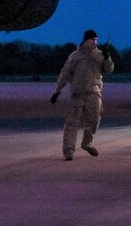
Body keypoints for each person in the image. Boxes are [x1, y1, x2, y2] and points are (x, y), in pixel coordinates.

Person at [49, 29, 114, 160]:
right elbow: (65, 73)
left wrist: (108, 58)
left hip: (94, 93)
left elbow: (109, 70)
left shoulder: (101, 55)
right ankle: (68, 150)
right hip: (77, 93)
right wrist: (58, 91)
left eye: (96, 40)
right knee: (71, 123)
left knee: (94, 120)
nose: (94, 42)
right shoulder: (75, 55)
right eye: (92, 39)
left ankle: (87, 143)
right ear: (85, 40)